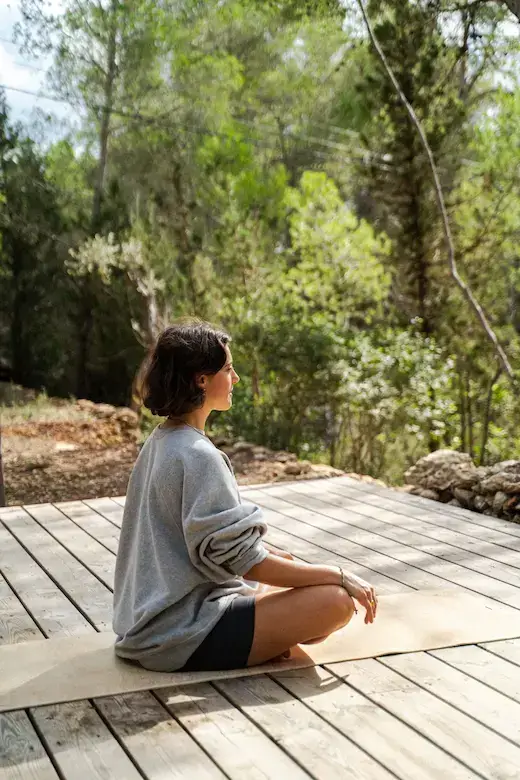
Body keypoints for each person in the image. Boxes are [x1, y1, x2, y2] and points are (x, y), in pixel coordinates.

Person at [113, 319, 378, 673]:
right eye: (228, 368)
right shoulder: (199, 455)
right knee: (336, 602)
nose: (235, 378)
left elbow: (225, 551)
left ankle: (265, 635)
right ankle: (263, 641)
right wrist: (339, 574)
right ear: (201, 379)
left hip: (148, 626)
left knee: (287, 563)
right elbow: (247, 563)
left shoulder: (161, 442)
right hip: (179, 634)